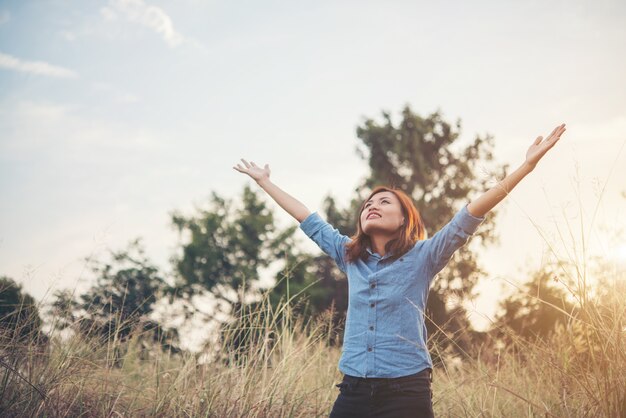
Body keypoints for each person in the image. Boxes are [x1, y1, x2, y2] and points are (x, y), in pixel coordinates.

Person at [233, 123, 566, 417]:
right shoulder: (349, 256)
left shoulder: (425, 256)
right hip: (354, 391)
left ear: (405, 219)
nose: (372, 206)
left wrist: (526, 166)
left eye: (383, 202)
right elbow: (307, 218)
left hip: (407, 392)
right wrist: (264, 183)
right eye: (368, 204)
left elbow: (470, 214)